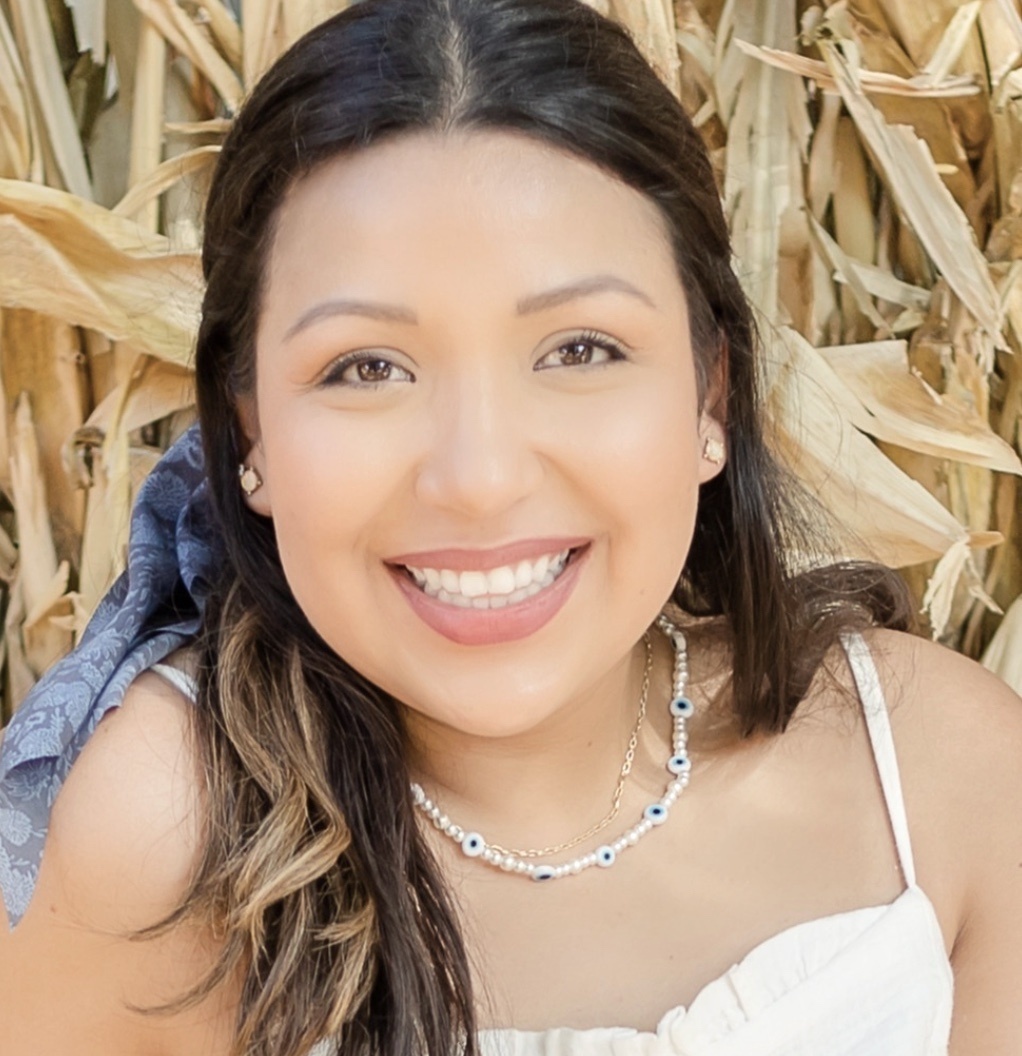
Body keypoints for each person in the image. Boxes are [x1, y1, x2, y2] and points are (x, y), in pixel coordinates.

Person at [1, 0, 1020, 1053]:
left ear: (710, 395)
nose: (479, 480)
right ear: (250, 428)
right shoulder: (155, 837)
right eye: (366, 368)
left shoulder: (938, 768)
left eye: (578, 350)